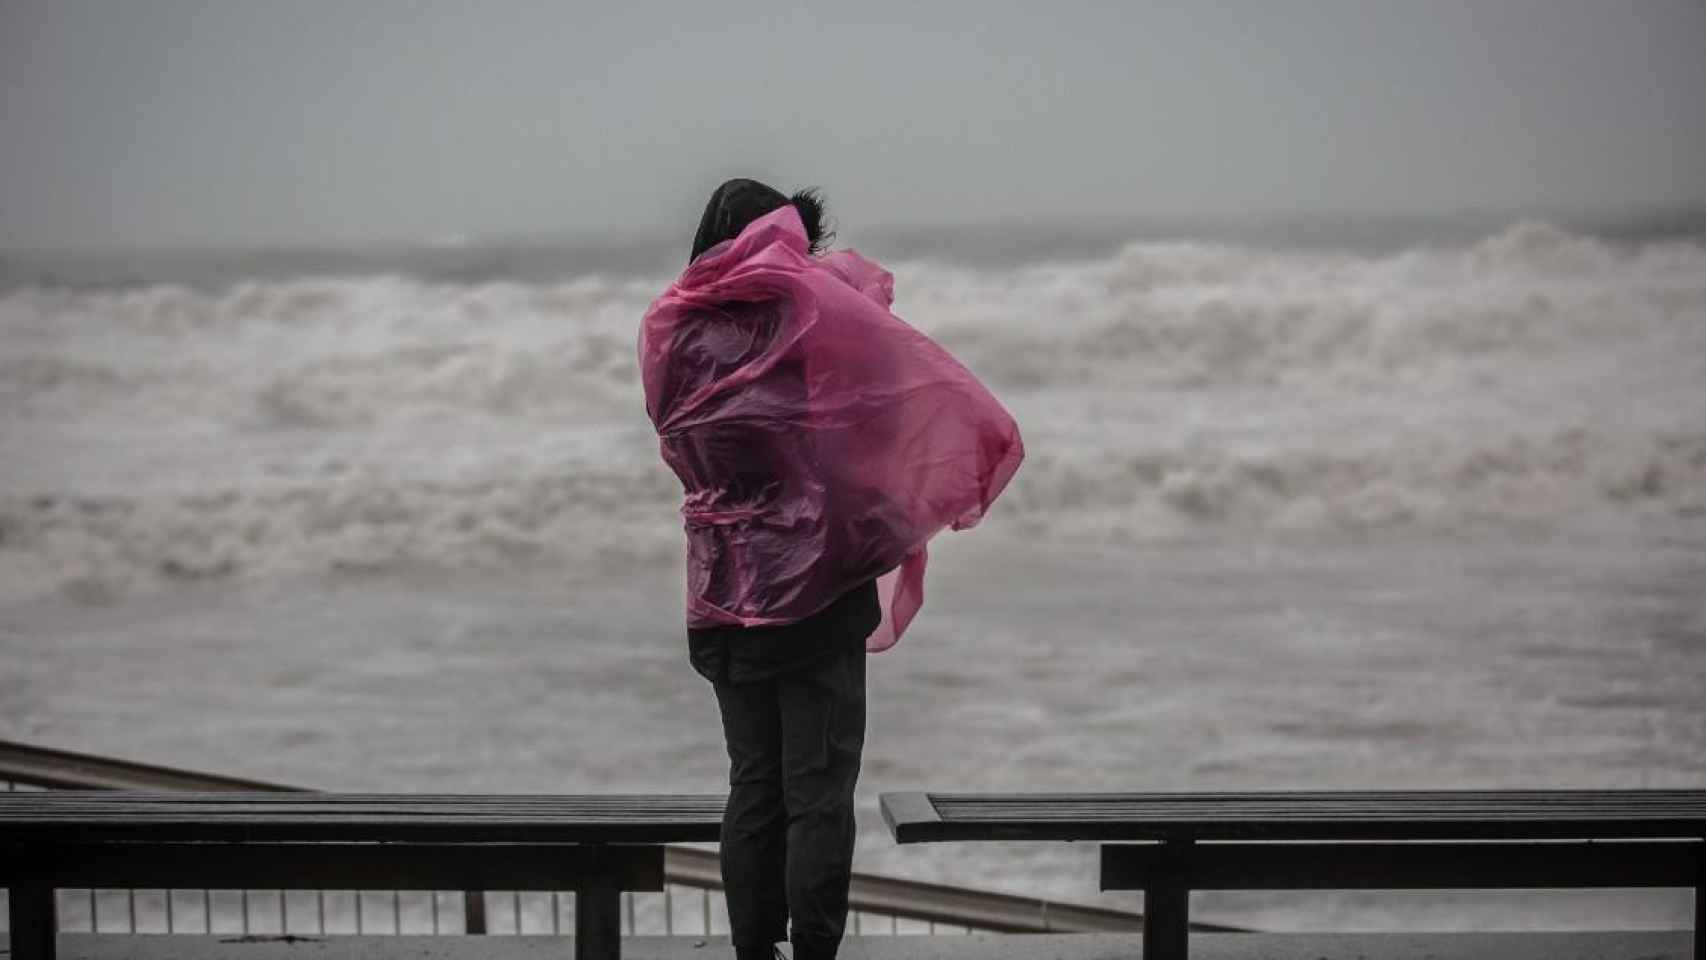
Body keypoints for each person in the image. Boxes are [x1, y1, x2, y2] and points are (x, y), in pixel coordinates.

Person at [640, 177, 1022, 960]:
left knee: (754, 788)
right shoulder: (806, 313)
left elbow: (689, 448)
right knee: (816, 792)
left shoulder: (671, 328)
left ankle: (754, 953)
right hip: (812, 598)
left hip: (717, 595)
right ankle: (813, 953)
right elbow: (867, 419)